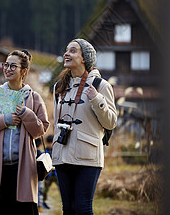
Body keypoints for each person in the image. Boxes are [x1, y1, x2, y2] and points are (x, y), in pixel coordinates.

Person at [0, 50, 50, 215]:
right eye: (6, 65)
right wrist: (5, 119)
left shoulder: (34, 98)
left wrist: (27, 115)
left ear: (24, 71)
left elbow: (41, 129)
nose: (7, 69)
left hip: (22, 168)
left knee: (22, 210)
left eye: (13, 66)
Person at [52, 39, 117, 215]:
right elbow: (56, 123)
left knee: (83, 207)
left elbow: (111, 122)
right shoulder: (59, 87)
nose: (67, 54)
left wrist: (97, 99)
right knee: (68, 209)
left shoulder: (101, 85)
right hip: (62, 155)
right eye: (66, 50)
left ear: (84, 58)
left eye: (72, 51)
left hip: (87, 157)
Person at [43, 135, 59, 210]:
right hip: (48, 175)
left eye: (51, 143)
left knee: (62, 188)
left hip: (57, 174)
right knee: (45, 190)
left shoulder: (57, 150)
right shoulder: (45, 152)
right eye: (49, 143)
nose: (50, 145)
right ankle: (43, 202)